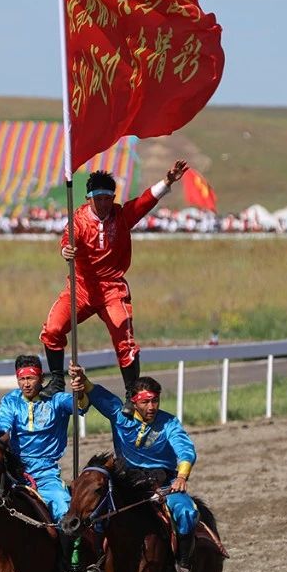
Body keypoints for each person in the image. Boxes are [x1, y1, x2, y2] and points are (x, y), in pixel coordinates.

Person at [39, 161, 190, 412]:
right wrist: (66, 250)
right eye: (98, 198)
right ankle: (56, 380)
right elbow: (68, 239)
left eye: (108, 197)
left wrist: (168, 181)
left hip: (112, 290)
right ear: (89, 199)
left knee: (126, 343)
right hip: (81, 288)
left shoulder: (121, 216)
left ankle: (132, 396)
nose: (103, 203)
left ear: (113, 197)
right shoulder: (77, 219)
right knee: (53, 328)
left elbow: (145, 201)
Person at [69, 363, 202, 572]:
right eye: (145, 402)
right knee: (97, 508)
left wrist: (182, 476)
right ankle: (95, 565)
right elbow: (96, 393)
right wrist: (81, 378)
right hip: (125, 484)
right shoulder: (120, 416)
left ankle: (182, 571)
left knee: (186, 511)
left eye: (155, 402)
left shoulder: (169, 424)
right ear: (133, 401)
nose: (152, 407)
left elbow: (185, 449)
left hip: (162, 484)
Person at [0, 354, 89, 572]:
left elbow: (80, 405)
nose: (26, 383)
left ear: (40, 378)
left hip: (46, 473)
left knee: (65, 511)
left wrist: (80, 388)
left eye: (31, 377)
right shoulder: (10, 401)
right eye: (22, 378)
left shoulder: (56, 401)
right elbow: (4, 429)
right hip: (15, 473)